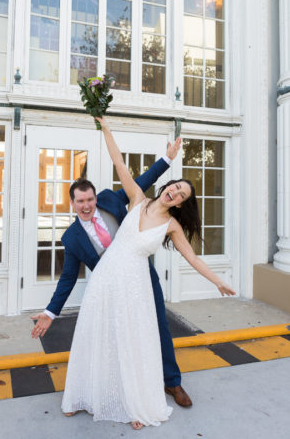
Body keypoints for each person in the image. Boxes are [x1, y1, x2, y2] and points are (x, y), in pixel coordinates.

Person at [59, 117, 235, 429]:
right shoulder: (137, 200)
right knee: (96, 333)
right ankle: (82, 396)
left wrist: (219, 281)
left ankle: (134, 405)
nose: (175, 194)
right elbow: (119, 162)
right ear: (167, 186)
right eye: (175, 187)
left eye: (181, 196)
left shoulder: (172, 226)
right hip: (106, 279)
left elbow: (193, 258)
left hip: (136, 284)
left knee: (134, 340)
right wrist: (105, 128)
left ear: (180, 205)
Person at [31, 133, 192, 409]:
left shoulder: (110, 200)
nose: (86, 206)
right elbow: (68, 278)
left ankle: (172, 381)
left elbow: (143, 180)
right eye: (80, 202)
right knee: (117, 333)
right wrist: (49, 312)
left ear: (96, 197)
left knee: (159, 325)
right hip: (111, 287)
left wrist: (168, 158)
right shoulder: (71, 238)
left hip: (142, 275)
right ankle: (117, 386)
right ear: (72, 203)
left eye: (89, 200)